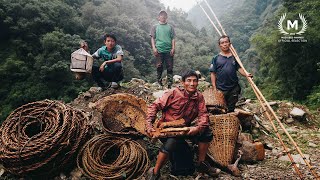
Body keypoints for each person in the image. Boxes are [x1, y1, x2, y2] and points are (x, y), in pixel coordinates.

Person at [145, 70, 221, 180]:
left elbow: (203, 114)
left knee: (206, 132)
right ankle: (155, 171)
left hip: (185, 128)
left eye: (195, 81)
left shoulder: (199, 97)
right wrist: (149, 125)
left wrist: (198, 128)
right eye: (189, 81)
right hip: (167, 129)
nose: (192, 84)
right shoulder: (172, 93)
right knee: (173, 143)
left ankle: (201, 164)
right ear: (183, 82)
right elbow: (154, 106)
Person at [209, 35, 253, 112]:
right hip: (221, 88)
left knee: (231, 108)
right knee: (221, 108)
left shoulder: (234, 57)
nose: (225, 44)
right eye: (222, 43)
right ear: (219, 45)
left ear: (230, 43)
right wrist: (214, 87)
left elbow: (239, 69)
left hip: (233, 88)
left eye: (226, 42)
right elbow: (213, 73)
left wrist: (247, 74)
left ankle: (231, 121)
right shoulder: (216, 58)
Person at [150, 10, 175, 89]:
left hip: (169, 50)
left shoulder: (170, 27)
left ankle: (170, 83)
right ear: (159, 17)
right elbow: (152, 38)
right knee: (159, 66)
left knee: (170, 67)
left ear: (166, 17)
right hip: (159, 49)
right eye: (161, 15)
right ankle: (159, 82)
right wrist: (154, 48)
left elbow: (173, 38)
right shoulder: (155, 27)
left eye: (164, 15)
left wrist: (173, 48)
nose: (163, 17)